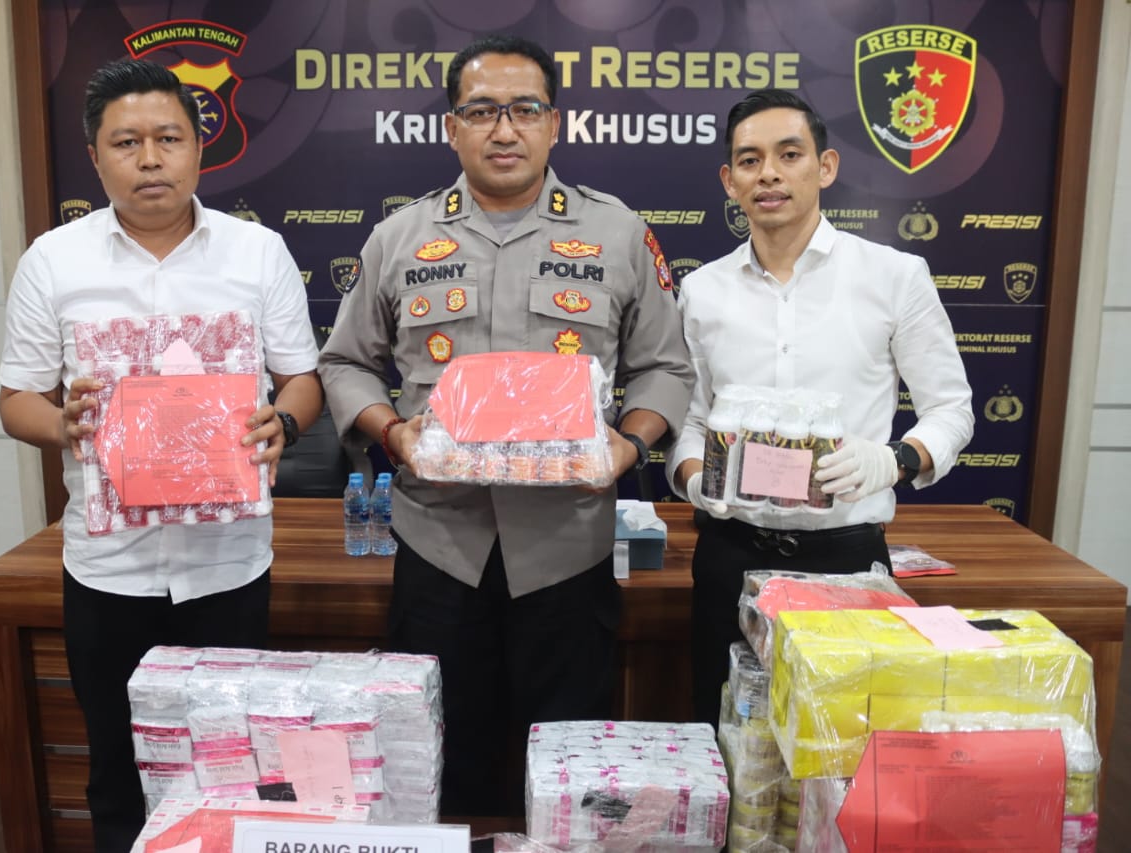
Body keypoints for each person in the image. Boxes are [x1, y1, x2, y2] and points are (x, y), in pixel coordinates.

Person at [317, 34, 694, 815]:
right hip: (438, 547)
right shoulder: (400, 237)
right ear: (451, 127)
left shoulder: (617, 232)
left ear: (554, 123)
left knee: (563, 777)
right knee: (438, 771)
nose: (504, 128)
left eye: (525, 109)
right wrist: (394, 434)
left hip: (566, 550)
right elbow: (346, 362)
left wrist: (628, 445)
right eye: (482, 110)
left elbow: (667, 367)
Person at [0, 58, 323, 852]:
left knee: (230, 763)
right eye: (127, 142)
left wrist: (283, 420)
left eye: (169, 138)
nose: (150, 159)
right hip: (108, 569)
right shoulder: (53, 260)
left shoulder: (257, 252)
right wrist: (65, 425)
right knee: (117, 768)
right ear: (95, 155)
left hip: (228, 564)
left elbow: (304, 379)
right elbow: (16, 400)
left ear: (199, 149)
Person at [667, 88, 974, 728]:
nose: (768, 174)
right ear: (729, 181)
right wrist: (697, 478)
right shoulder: (702, 290)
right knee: (726, 738)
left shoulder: (894, 276)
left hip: (846, 559)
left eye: (789, 154)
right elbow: (691, 421)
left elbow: (952, 410)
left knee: (839, 746)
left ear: (825, 167)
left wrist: (893, 461)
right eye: (749, 160)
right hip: (729, 557)